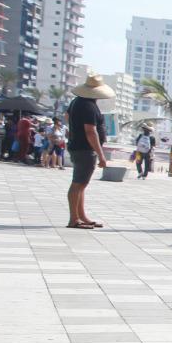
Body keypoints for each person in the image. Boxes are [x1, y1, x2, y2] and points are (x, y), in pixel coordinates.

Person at [65, 74, 114, 230]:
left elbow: (67, 116)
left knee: (82, 183)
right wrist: (101, 155)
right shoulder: (88, 105)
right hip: (85, 149)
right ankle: (74, 219)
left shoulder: (77, 102)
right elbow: (91, 132)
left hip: (78, 146)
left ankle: (81, 216)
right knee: (78, 183)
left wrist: (74, 130)